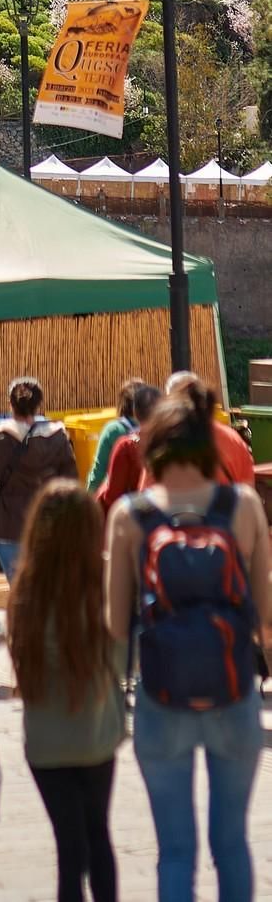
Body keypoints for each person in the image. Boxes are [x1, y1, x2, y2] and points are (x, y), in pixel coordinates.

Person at [107, 379, 271, 902]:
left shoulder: (131, 516)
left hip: (161, 694)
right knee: (232, 843)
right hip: (232, 689)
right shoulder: (242, 506)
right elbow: (267, 619)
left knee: (175, 851)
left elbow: (114, 624)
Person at [8, 481, 125, 902]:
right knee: (98, 833)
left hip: (44, 740)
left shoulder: (26, 588)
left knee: (68, 846)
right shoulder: (105, 580)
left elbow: (20, 658)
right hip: (97, 733)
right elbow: (124, 653)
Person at [0, 378, 76, 580]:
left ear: (10, 404)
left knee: (19, 585)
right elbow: (71, 485)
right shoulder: (58, 437)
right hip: (48, 523)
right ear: (39, 404)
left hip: (7, 524)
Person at [86, 377, 147, 496]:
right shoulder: (157, 429)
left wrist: (88, 501)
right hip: (150, 502)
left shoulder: (113, 430)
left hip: (118, 502)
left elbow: (98, 473)